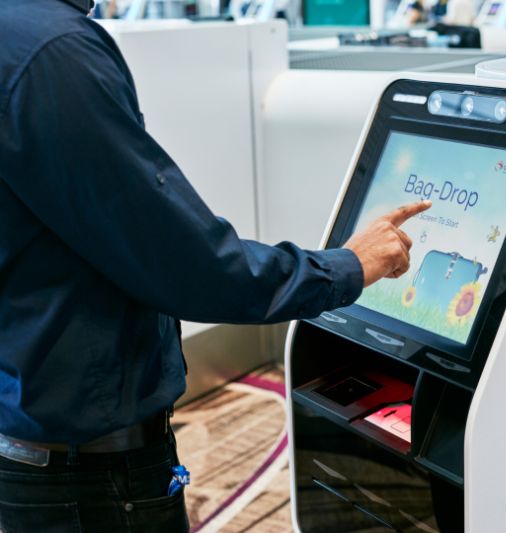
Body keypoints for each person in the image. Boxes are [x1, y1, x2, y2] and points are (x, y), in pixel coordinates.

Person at [0, 0, 431, 530]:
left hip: (31, 434)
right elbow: (185, 264)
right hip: (87, 475)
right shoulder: (52, 52)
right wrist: (347, 267)